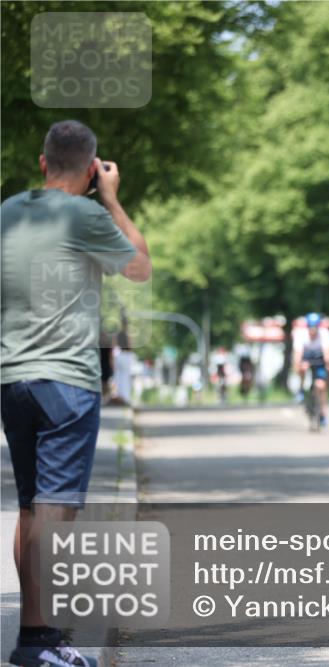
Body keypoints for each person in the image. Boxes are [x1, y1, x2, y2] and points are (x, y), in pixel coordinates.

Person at [1, 120, 152, 667]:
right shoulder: (86, 215)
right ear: (91, 169)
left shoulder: (9, 211)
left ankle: (37, 634)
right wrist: (110, 198)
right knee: (56, 510)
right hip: (66, 380)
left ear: (43, 163)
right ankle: (38, 640)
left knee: (30, 508)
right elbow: (139, 267)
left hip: (13, 378)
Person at [293, 312, 329, 427]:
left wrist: (328, 363)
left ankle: (323, 412)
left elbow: (327, 351)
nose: (313, 330)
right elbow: (297, 354)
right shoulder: (300, 334)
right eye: (311, 327)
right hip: (306, 357)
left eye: (315, 327)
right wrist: (299, 365)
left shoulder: (324, 334)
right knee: (301, 368)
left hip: (319, 359)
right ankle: (301, 389)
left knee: (321, 385)